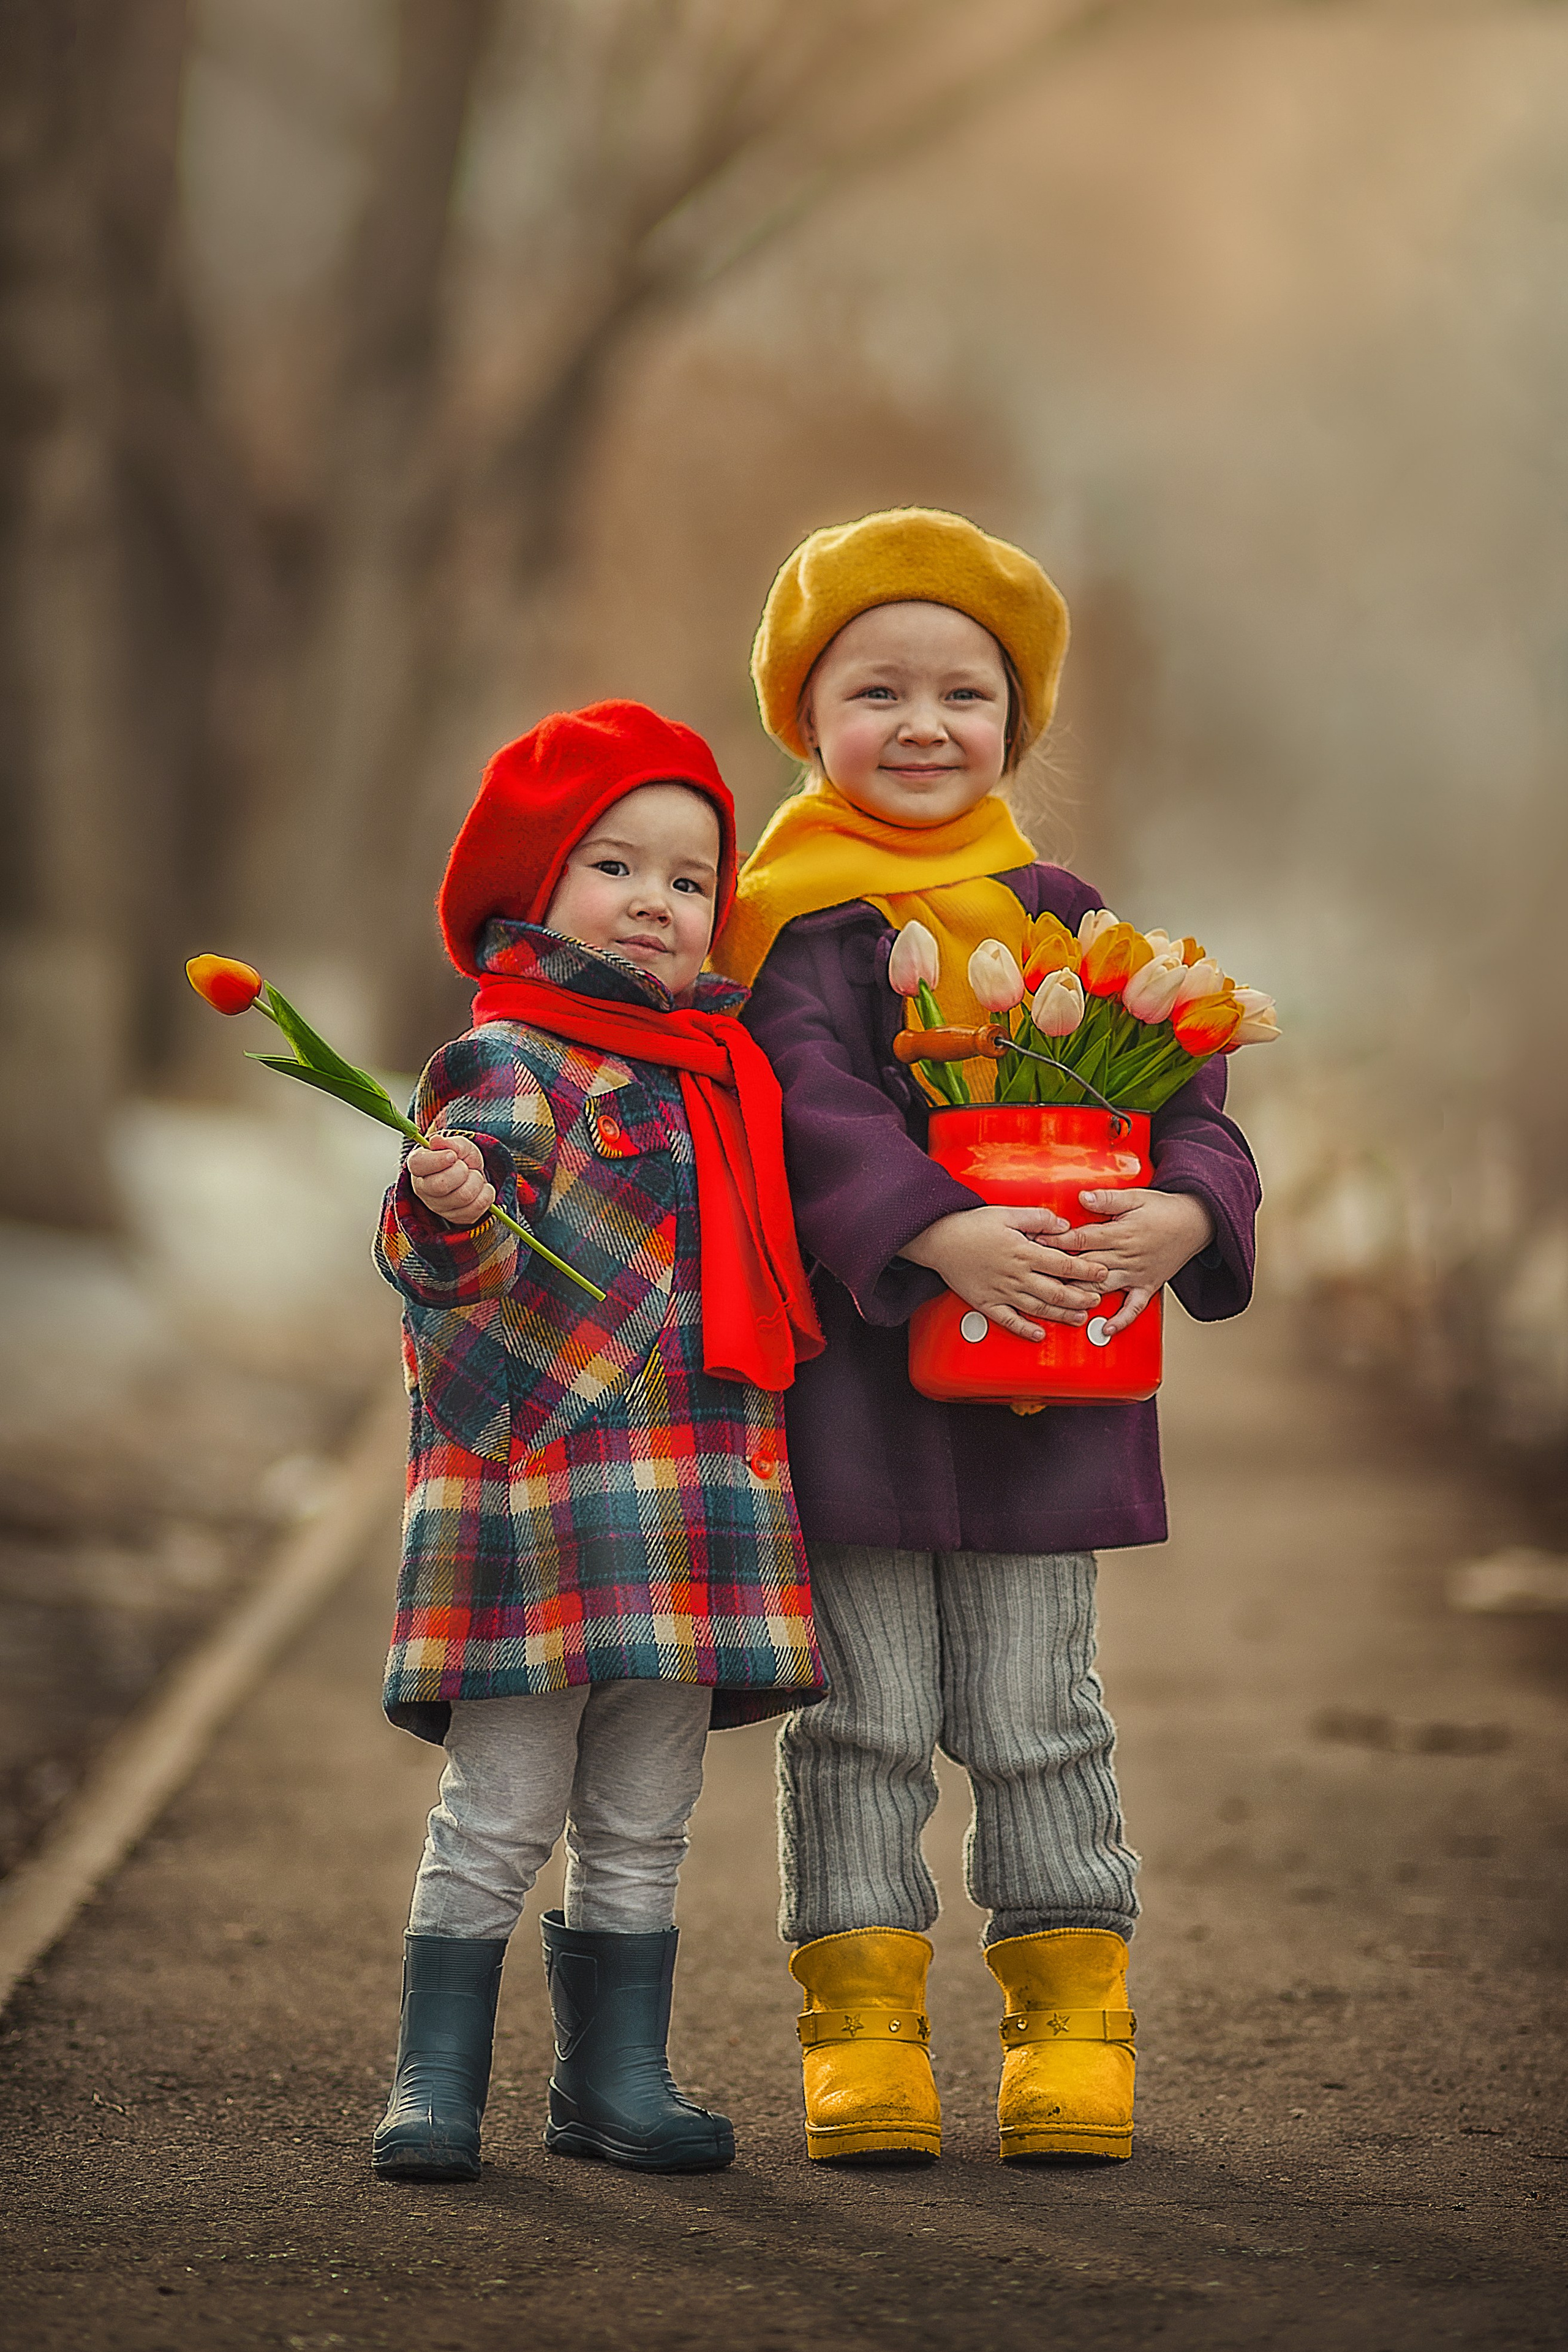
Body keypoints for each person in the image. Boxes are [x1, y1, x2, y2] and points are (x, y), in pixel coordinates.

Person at [717, 507, 1261, 2165]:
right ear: (808, 722)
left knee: (1041, 1715)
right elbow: (802, 1115)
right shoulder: (787, 938)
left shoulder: (1063, 911)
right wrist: (933, 1222)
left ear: (1014, 727)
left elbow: (1188, 1088)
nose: (925, 726)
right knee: (863, 1718)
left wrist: (1186, 1210)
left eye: (965, 694)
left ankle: (1071, 2014)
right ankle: (864, 2023)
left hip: (1048, 1390)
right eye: (877, 691)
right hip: (863, 1406)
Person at [371, 700, 823, 2182]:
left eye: (689, 881)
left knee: (643, 1814)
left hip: (695, 1494)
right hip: (544, 1495)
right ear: (534, 888)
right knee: (501, 1809)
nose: (655, 902)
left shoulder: (719, 1074)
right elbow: (456, 1249)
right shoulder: (508, 1063)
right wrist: (447, 1207)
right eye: (614, 866)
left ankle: (614, 2080)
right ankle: (434, 2086)